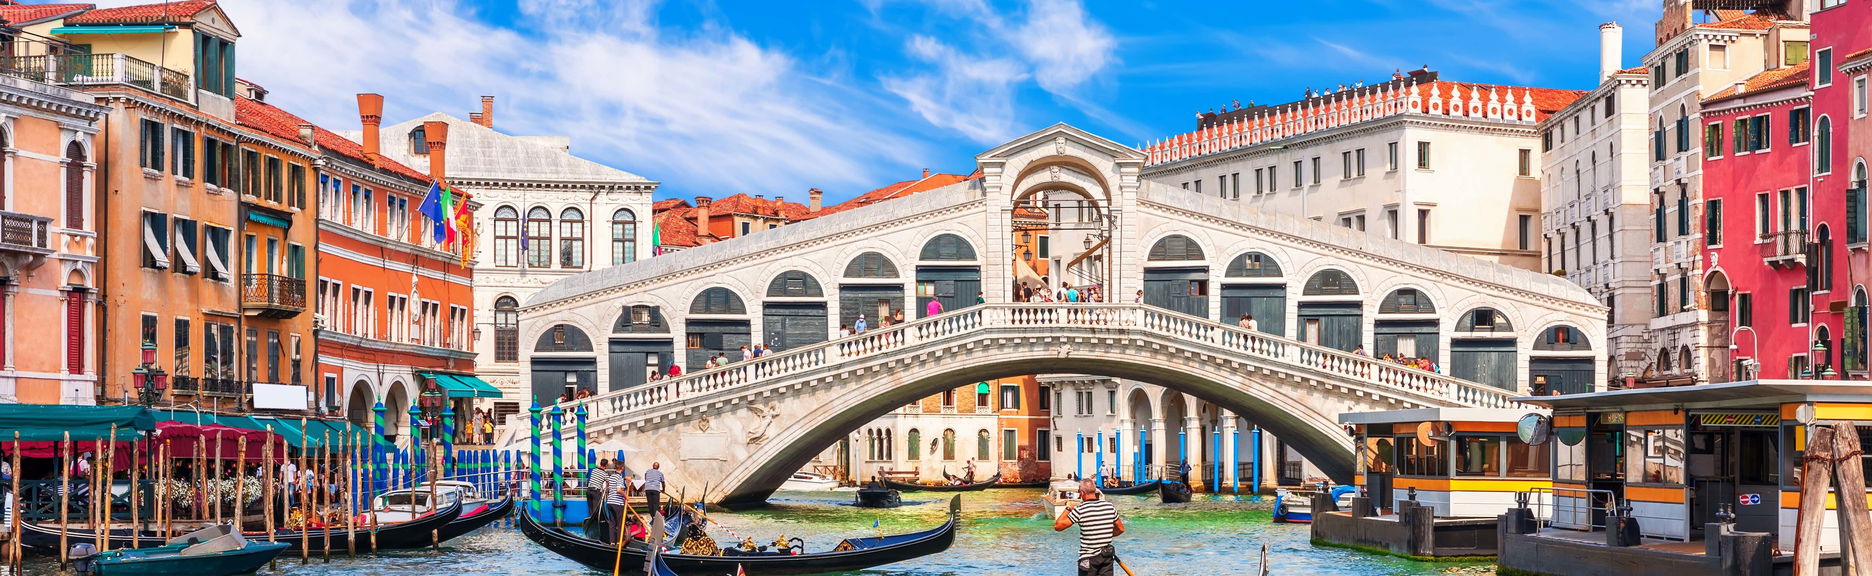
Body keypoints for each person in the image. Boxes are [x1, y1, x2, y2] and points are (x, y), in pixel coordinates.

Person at [1054, 479, 1124, 576]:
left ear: (1082, 493)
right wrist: (1104, 535)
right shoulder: (1109, 507)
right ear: (1095, 491)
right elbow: (1120, 529)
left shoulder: (1080, 510)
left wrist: (1068, 508)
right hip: (1106, 557)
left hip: (1089, 560)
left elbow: (1058, 526)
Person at [605, 461, 631, 543]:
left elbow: (610, 487)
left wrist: (625, 479)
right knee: (620, 524)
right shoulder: (619, 478)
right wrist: (626, 496)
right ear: (622, 468)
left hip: (610, 502)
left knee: (612, 524)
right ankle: (619, 542)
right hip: (617, 503)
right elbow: (619, 490)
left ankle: (612, 542)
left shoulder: (612, 476)